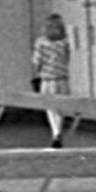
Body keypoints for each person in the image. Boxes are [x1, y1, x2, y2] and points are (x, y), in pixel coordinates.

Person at [30, 14, 72, 146]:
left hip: (48, 79)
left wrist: (38, 72)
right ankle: (58, 131)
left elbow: (37, 61)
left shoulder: (41, 42)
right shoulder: (65, 42)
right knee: (61, 108)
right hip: (63, 79)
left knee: (50, 108)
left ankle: (55, 133)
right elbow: (67, 59)